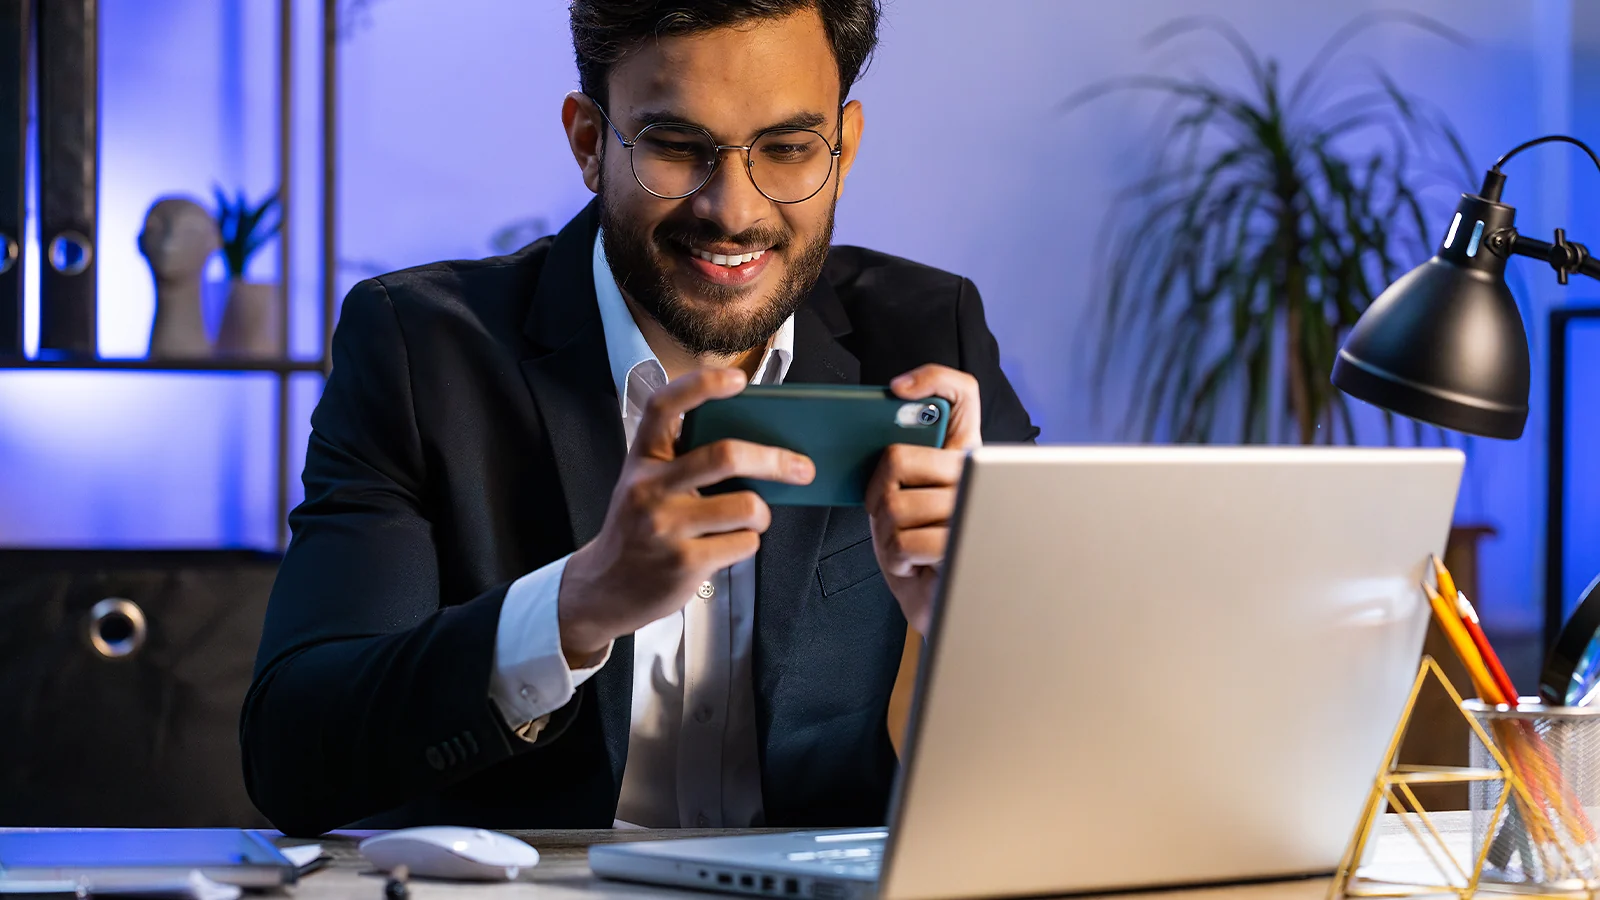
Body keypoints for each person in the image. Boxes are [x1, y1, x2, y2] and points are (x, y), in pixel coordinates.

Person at [241, 0, 1037, 837]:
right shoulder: (421, 352)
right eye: (677, 148)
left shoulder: (928, 333)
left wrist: (971, 623)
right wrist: (574, 607)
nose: (734, 211)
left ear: (845, 146)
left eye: (790, 149)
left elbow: (1088, 742)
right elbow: (294, 753)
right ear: (590, 142)